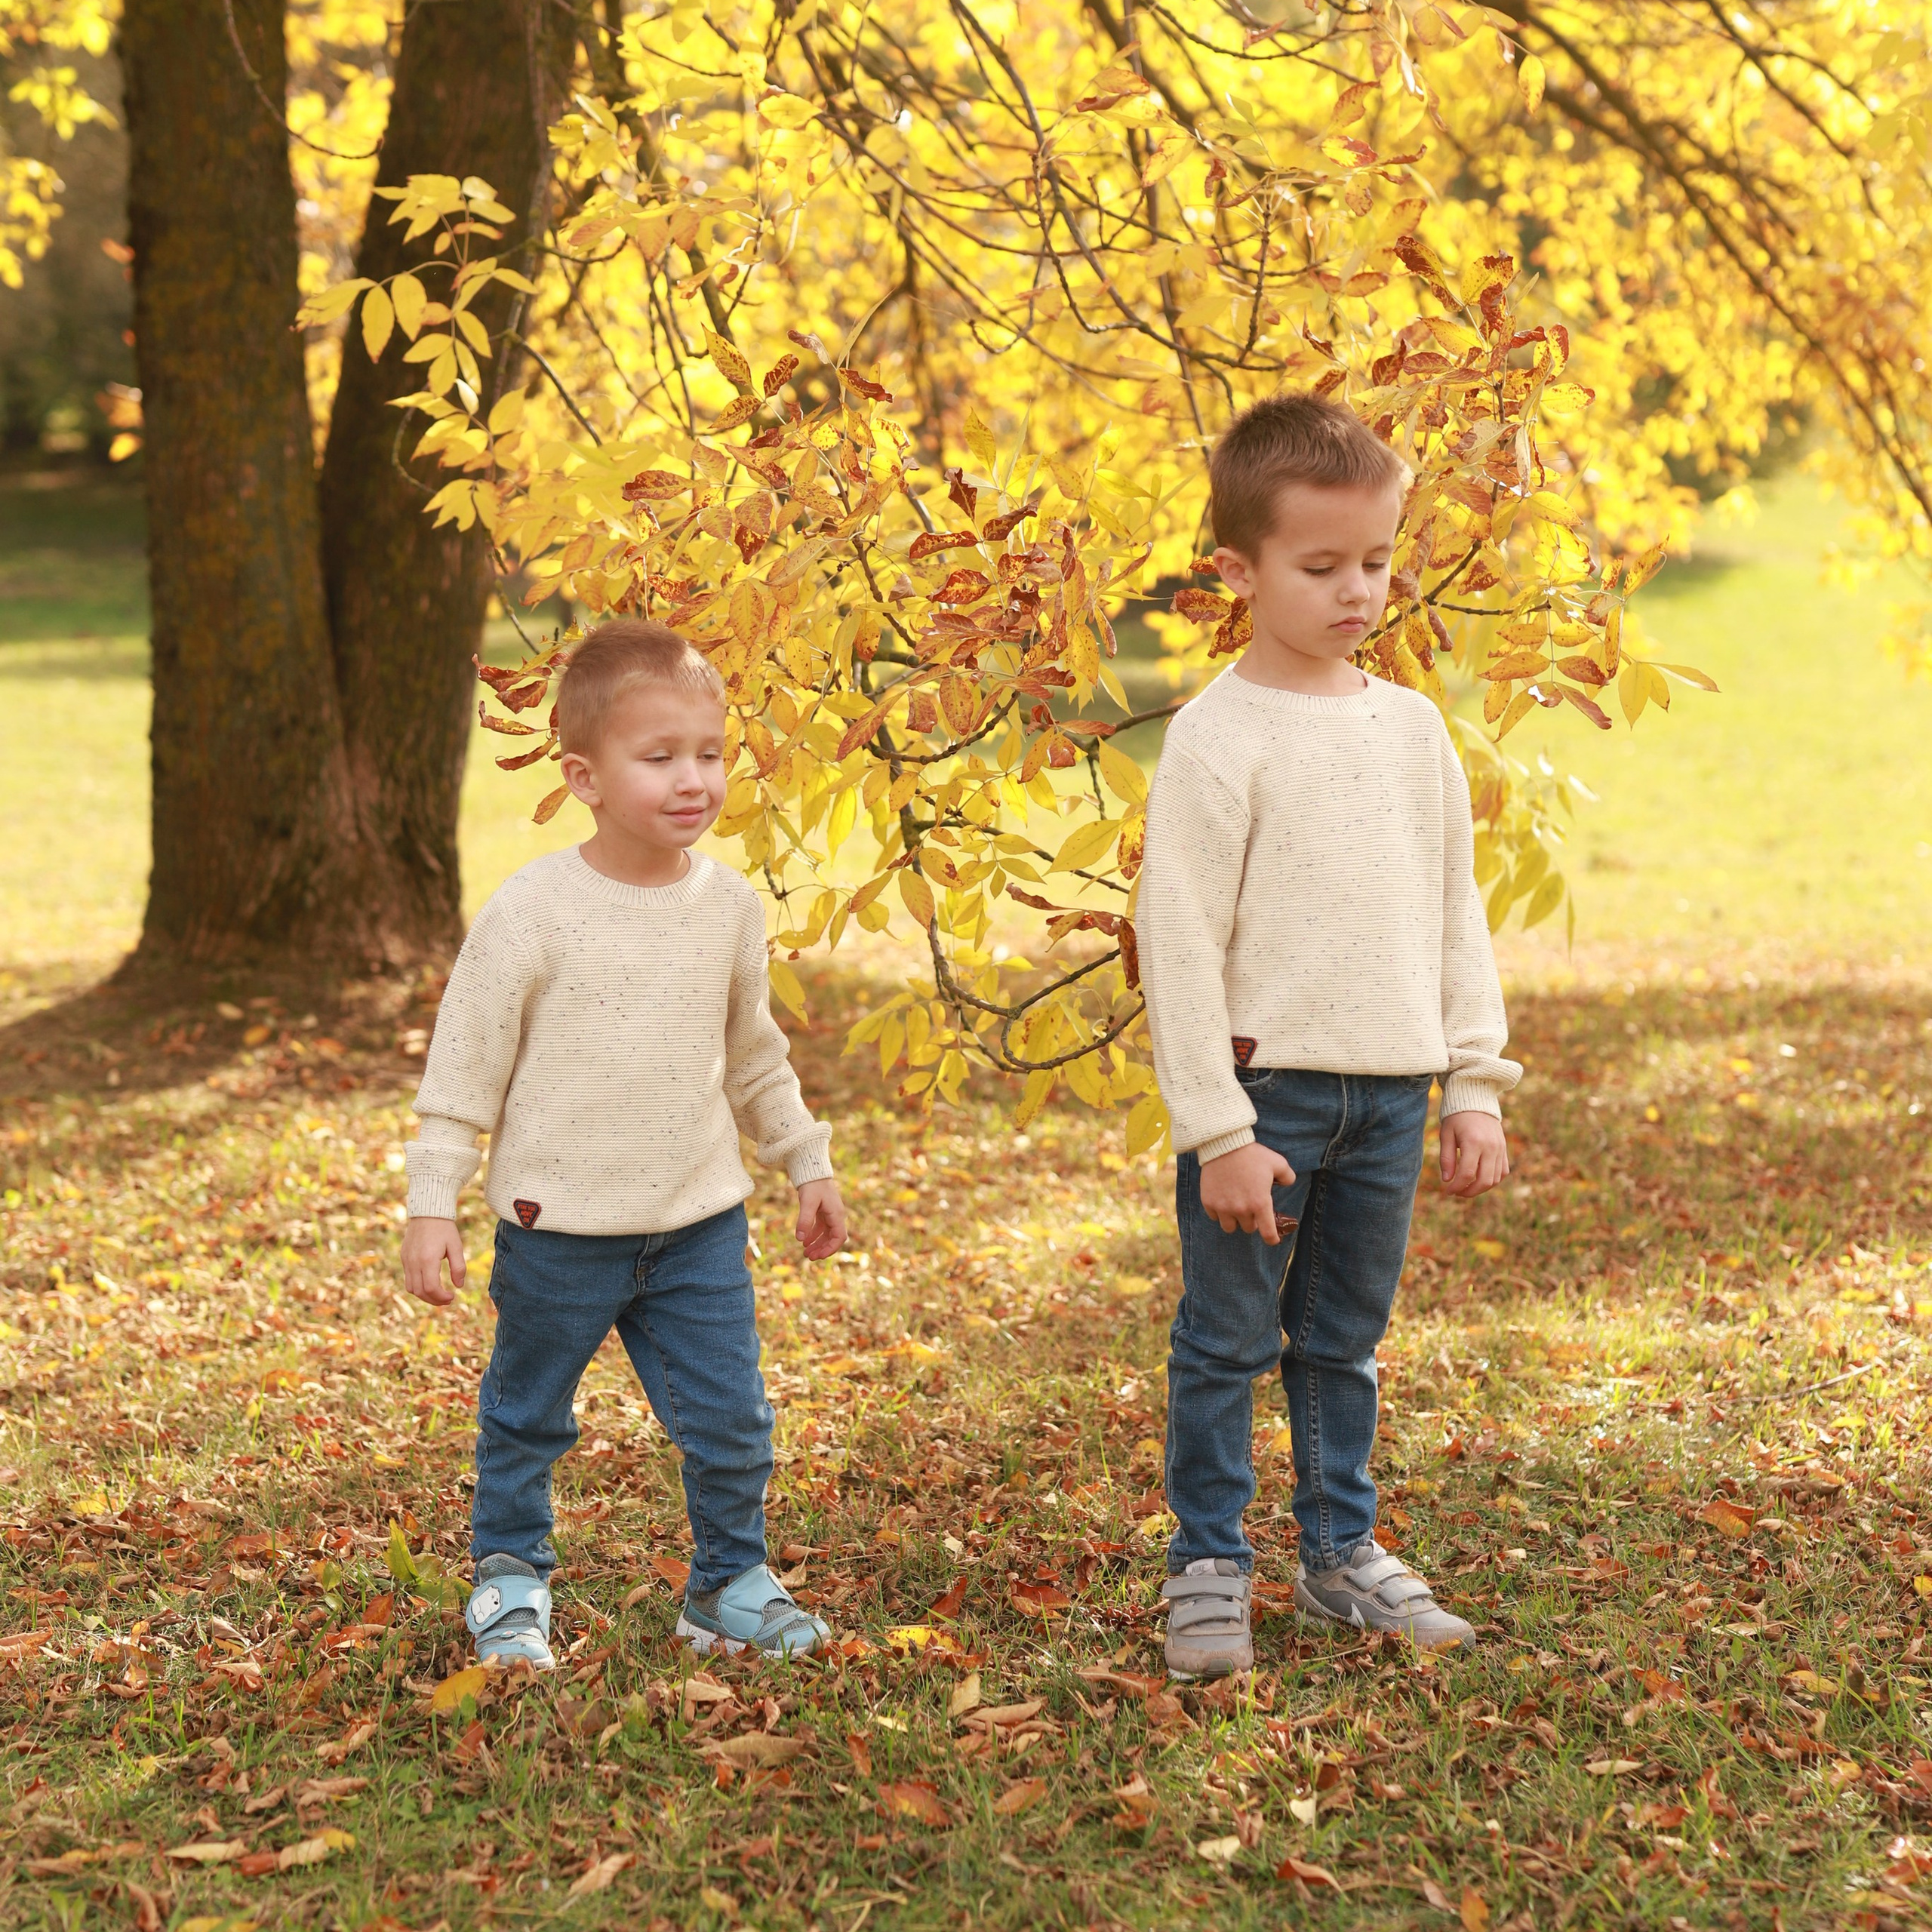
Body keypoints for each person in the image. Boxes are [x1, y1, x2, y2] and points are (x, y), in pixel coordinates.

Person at [1136, 392, 1521, 1678]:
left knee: (1343, 1343)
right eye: (1322, 567)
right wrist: (1218, 1132)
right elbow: (1179, 944)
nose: (1359, 590)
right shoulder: (1216, 738)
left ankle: (1340, 1554)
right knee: (1227, 1342)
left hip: (1394, 1094)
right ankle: (1208, 1565)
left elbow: (1454, 908)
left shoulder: (1412, 729)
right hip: (1267, 1103)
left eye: (1377, 560)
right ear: (1237, 571)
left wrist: (1473, 1083)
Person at [399, 617, 847, 1670]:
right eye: (659, 757)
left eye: (710, 753)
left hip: (696, 1225)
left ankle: (728, 1585)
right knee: (528, 1416)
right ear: (585, 777)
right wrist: (431, 1202)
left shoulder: (728, 908)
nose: (693, 779)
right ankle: (511, 1578)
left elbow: (754, 1057)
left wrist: (806, 1158)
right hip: (558, 1231)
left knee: (733, 1420)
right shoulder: (534, 911)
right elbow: (464, 1068)